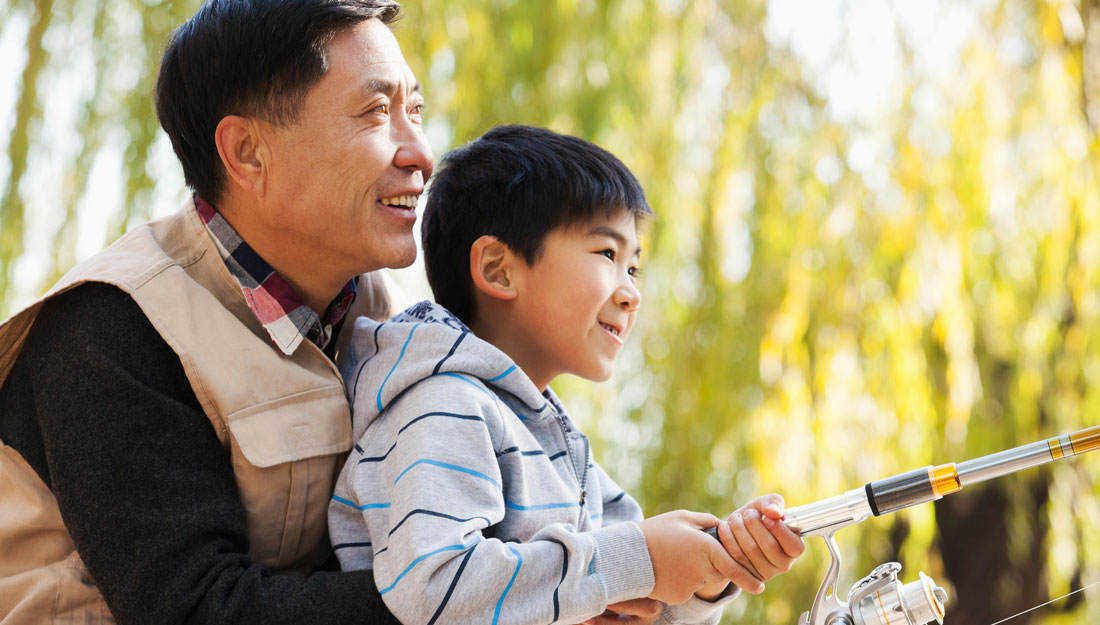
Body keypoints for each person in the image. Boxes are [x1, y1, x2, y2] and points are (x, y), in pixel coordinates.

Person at [0, 1, 432, 623]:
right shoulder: (116, 324)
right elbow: (195, 609)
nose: (420, 152)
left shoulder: (373, 316)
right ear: (247, 153)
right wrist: (486, 598)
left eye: (414, 111)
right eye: (376, 112)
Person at [328, 125, 805, 625]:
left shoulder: (555, 437)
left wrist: (713, 567)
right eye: (607, 254)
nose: (631, 293)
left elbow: (638, 593)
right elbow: (436, 589)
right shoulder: (442, 405)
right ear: (498, 269)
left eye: (633, 268)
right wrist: (637, 561)